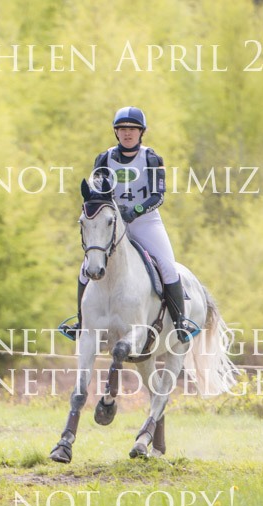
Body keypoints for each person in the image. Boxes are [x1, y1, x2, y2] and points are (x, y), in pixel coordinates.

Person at [60, 106, 198, 343]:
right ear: (116, 132)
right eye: (122, 128)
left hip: (145, 221)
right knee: (85, 269)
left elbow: (158, 196)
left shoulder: (152, 159)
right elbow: (97, 192)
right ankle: (81, 323)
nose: (127, 133)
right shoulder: (104, 159)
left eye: (132, 129)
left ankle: (180, 323)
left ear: (141, 132)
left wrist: (135, 211)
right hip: (112, 224)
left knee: (167, 266)